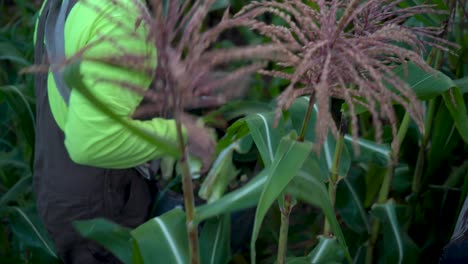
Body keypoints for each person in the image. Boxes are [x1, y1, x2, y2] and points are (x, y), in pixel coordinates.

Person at [33, 0, 215, 263]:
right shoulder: (122, 18)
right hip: (102, 219)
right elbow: (92, 143)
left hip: (59, 191)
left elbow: (82, 69)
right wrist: (182, 135)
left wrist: (157, 63)